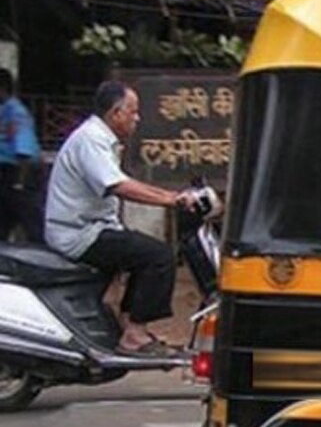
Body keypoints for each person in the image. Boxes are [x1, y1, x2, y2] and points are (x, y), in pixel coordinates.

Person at [44, 81, 196, 357]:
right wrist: (171, 200)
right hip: (80, 234)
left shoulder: (100, 139)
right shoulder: (91, 140)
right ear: (115, 113)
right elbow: (119, 186)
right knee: (158, 256)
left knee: (142, 252)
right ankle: (134, 335)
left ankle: (129, 325)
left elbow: (124, 182)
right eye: (133, 112)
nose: (137, 118)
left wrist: (172, 196)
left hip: (94, 228)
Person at [0, 68, 44, 243]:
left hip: (18, 173)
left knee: (30, 221)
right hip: (7, 172)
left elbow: (24, 149)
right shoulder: (4, 110)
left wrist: (20, 182)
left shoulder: (16, 112)